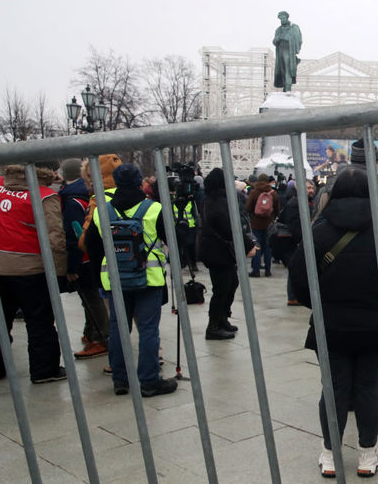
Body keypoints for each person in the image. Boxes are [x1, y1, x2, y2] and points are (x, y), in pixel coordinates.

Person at [288, 167, 378, 478]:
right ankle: (367, 454)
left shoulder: (317, 233)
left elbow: (298, 279)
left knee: (333, 388)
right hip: (375, 327)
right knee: (369, 388)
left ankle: (330, 455)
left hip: (329, 326)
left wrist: (319, 306)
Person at [84, 164, 177, 397]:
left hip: (115, 279)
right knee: (147, 329)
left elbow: (93, 248)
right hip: (149, 278)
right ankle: (148, 381)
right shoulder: (155, 209)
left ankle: (121, 380)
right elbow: (173, 241)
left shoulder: (101, 211)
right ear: (139, 183)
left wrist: (99, 278)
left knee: (118, 329)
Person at [0, 162, 67, 383]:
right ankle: (44, 370)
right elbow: (55, 239)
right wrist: (59, 273)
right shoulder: (45, 196)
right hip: (31, 269)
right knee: (39, 320)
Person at [198, 168, 258, 340]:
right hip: (218, 252)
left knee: (231, 283)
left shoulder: (215, 199)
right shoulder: (217, 201)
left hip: (220, 250)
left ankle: (222, 319)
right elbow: (229, 228)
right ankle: (213, 326)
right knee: (222, 288)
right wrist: (248, 245)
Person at [59, 158, 109, 359]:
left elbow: (74, 235)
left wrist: (72, 266)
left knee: (92, 298)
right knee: (90, 297)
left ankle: (102, 337)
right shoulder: (84, 195)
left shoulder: (72, 201)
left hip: (84, 257)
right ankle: (92, 332)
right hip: (92, 254)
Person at [284, 179, 315, 306]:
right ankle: (292, 296)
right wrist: (301, 240)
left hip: (301, 241)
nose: (311, 190)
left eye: (311, 187)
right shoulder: (295, 203)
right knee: (295, 268)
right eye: (308, 188)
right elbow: (294, 225)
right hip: (296, 242)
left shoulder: (305, 202)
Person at [245, 174, 280, 277]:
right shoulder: (273, 193)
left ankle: (256, 270)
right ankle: (268, 270)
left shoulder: (254, 192)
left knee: (257, 247)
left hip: (256, 224)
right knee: (268, 247)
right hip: (269, 224)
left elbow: (248, 207)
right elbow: (277, 208)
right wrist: (273, 217)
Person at [272, 10, 302, 92]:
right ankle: (285, 86)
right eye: (280, 18)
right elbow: (274, 41)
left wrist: (287, 39)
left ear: (287, 17)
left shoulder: (294, 27)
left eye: (283, 18)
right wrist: (278, 38)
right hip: (280, 51)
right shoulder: (278, 30)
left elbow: (298, 39)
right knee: (282, 70)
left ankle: (288, 87)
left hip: (289, 51)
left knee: (288, 69)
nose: (282, 20)